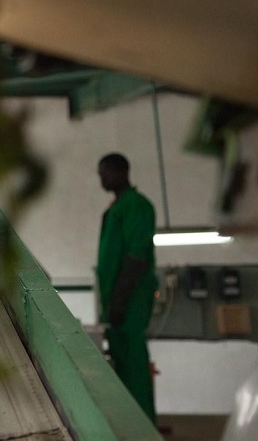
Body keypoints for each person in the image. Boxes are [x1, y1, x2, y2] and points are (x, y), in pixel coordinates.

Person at [96, 152, 158, 424]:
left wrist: (120, 300)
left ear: (121, 171)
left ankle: (142, 426)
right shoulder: (115, 210)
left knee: (133, 365)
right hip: (116, 303)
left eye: (104, 172)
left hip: (130, 300)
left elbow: (136, 256)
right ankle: (129, 424)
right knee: (122, 366)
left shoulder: (137, 205)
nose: (101, 178)